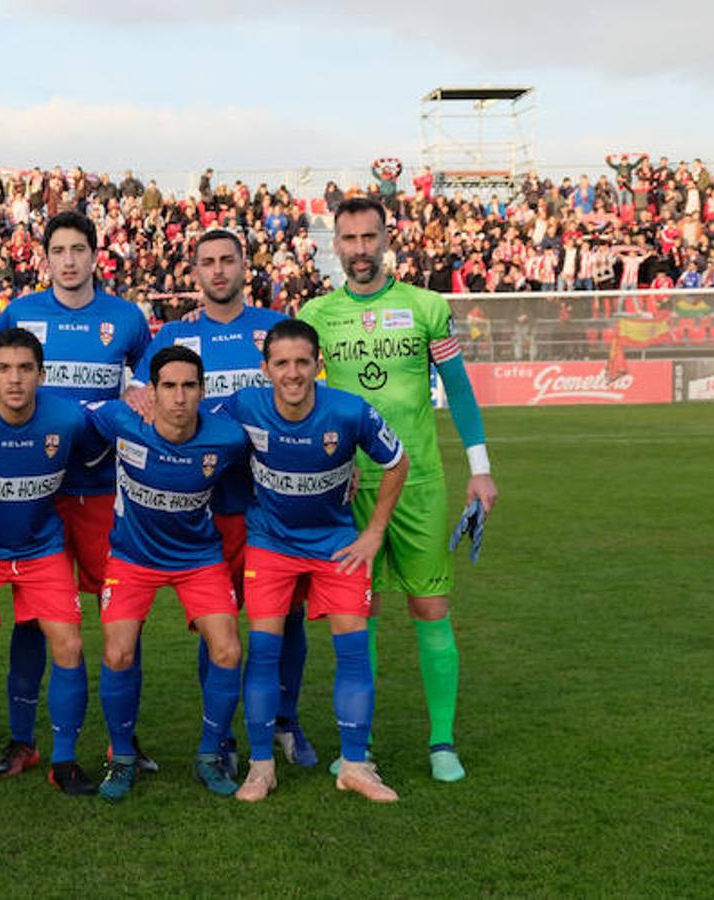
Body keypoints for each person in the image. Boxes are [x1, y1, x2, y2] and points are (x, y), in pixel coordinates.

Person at [297, 197, 499, 783]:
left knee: (429, 606)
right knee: (358, 614)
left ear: (388, 238)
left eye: (369, 237)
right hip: (349, 487)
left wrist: (480, 468)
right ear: (334, 244)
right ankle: (359, 747)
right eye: (349, 238)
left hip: (420, 484)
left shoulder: (425, 308)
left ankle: (442, 743)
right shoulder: (317, 315)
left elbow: (457, 389)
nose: (359, 249)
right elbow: (305, 398)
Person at [126, 228, 311, 775]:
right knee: (220, 623)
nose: (218, 270)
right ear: (195, 272)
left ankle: (285, 718)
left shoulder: (272, 331)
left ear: (244, 266)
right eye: (207, 262)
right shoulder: (174, 337)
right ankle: (224, 734)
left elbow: (306, 399)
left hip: (275, 503)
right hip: (212, 508)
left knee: (289, 617)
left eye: (228, 260)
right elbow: (140, 398)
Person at [0, 210, 156, 774]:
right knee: (34, 619)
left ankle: (120, 742)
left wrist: (137, 397)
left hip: (105, 492)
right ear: (46, 256)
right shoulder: (20, 313)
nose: (70, 260)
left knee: (121, 618)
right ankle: (22, 739)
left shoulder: (126, 319)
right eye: (59, 250)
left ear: (95, 254)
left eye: (80, 249)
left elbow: (145, 388)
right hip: (38, 494)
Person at [217, 319, 409, 803]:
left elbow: (397, 462)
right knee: (263, 651)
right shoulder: (245, 405)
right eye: (282, 363)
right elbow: (192, 426)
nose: (293, 372)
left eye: (303, 361)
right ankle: (261, 768)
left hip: (335, 544)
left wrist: (374, 532)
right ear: (266, 369)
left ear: (318, 365)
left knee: (352, 647)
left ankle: (355, 765)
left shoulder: (349, 411)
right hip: (271, 543)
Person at [0, 328, 107, 799]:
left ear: (42, 374)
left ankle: (65, 760)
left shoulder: (68, 418)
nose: (15, 380)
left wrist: (140, 397)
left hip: (42, 551)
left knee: (69, 646)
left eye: (25, 369)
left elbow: (107, 435)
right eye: (4, 369)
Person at [83, 345, 249, 801]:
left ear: (203, 390)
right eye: (169, 387)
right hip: (132, 558)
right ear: (151, 392)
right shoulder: (122, 421)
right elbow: (64, 415)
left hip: (199, 559)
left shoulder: (229, 438)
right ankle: (121, 758)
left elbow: (274, 456)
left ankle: (210, 755)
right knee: (117, 653)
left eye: (189, 387)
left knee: (228, 649)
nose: (179, 398)